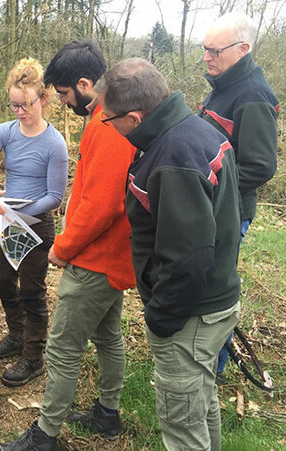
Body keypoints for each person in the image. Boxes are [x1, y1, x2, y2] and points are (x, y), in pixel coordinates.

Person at [0, 41, 137, 450]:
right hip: (112, 257)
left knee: (61, 348)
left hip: (96, 261)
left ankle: (45, 436)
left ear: (85, 83)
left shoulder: (108, 126)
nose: (63, 102)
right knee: (108, 336)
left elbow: (102, 204)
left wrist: (63, 247)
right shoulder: (108, 119)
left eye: (63, 95)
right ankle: (107, 414)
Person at [99, 58, 241, 450]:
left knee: (182, 425)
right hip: (214, 303)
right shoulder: (196, 130)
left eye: (109, 120)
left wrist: (161, 319)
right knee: (201, 401)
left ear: (135, 116)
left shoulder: (173, 158)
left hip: (189, 317)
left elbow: (189, 258)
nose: (108, 126)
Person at [0, 58, 68, 386]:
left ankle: (33, 355)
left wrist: (22, 210)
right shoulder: (5, 132)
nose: (19, 111)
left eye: (25, 104)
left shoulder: (55, 143)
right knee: (0, 281)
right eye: (13, 104)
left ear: (42, 99)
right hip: (7, 221)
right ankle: (16, 333)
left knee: (32, 291)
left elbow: (55, 196)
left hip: (36, 225)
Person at [199, 12, 279, 382]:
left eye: (214, 50)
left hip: (228, 212)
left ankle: (212, 369)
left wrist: (212, 192)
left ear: (243, 49)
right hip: (208, 208)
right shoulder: (223, 86)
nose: (207, 57)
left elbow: (260, 167)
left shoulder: (253, 96)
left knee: (216, 287)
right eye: (204, 49)